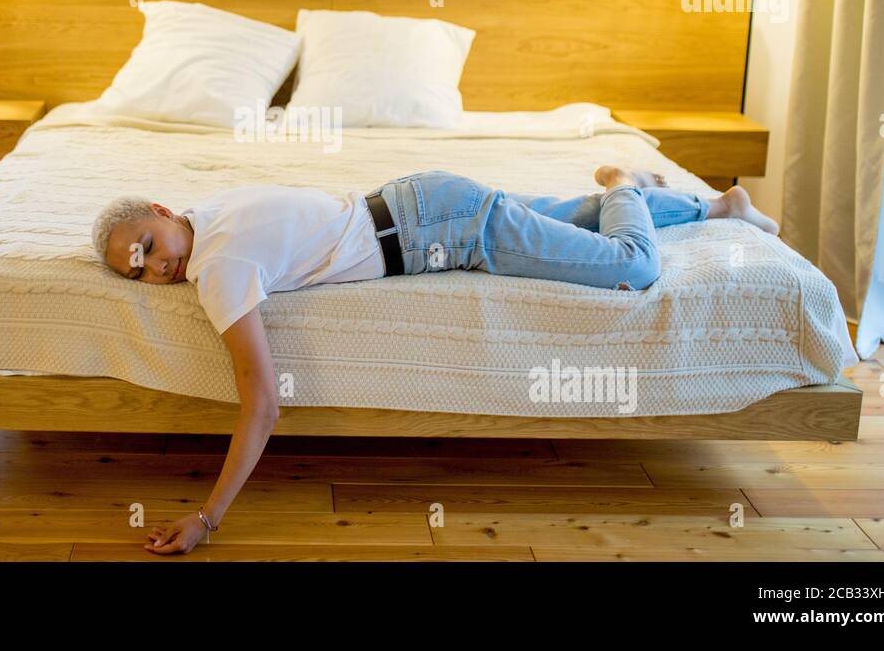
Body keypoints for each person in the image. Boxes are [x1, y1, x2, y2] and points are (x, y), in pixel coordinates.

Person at [91, 166, 778, 554]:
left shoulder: (217, 266)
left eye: (147, 242)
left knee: (631, 267)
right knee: (578, 218)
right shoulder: (211, 211)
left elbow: (261, 400)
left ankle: (629, 183)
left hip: (441, 230)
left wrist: (209, 518)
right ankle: (719, 205)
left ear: (160, 209)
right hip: (419, 201)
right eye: (138, 269)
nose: (156, 266)